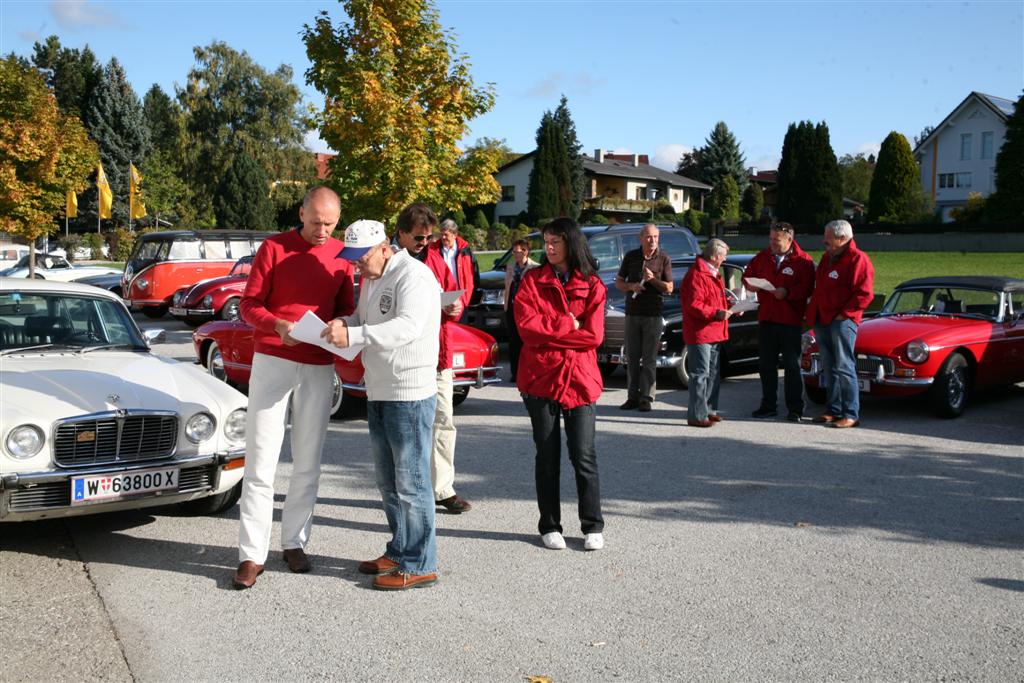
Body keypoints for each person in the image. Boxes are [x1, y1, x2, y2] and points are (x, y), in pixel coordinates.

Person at [232, 186, 355, 590]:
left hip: (319, 364)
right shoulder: (273, 248)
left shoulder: (341, 256)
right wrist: (276, 325)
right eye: (316, 221)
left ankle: (294, 542)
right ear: (301, 213)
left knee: (308, 462)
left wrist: (341, 325)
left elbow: (346, 309)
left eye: (330, 223)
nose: (323, 230)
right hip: (273, 360)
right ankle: (252, 554)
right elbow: (248, 305)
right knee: (261, 461)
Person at [323, 219, 442, 590]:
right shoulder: (373, 277)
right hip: (379, 388)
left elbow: (406, 327)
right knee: (389, 482)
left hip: (408, 392)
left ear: (385, 248)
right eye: (353, 259)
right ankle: (400, 548)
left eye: (361, 258)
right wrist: (342, 322)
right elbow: (365, 318)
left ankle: (421, 561)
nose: (357, 265)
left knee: (413, 482)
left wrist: (355, 333)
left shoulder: (414, 276)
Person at [515, 217, 606, 551]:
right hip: (541, 378)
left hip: (579, 380)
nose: (549, 248)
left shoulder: (592, 284)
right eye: (546, 242)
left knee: (584, 455)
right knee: (547, 456)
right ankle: (549, 524)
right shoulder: (532, 281)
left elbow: (594, 335)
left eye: (555, 242)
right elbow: (527, 328)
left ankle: (592, 525)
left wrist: (552, 331)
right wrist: (568, 323)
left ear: (571, 243)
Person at [395, 205, 472, 513]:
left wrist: (456, 308)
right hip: (405, 356)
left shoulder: (436, 259)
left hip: (437, 354)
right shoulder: (388, 261)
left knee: (443, 420)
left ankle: (442, 488)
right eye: (418, 237)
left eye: (428, 237)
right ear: (400, 232)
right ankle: (405, 490)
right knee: (405, 427)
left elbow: (454, 294)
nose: (424, 243)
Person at [805, 219, 875, 429]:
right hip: (822, 319)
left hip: (842, 321)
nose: (824, 242)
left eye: (828, 239)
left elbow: (864, 294)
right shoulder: (828, 257)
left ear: (842, 238)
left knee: (845, 366)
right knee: (829, 366)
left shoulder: (858, 259)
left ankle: (851, 413)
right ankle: (833, 409)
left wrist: (844, 315)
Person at [744, 222, 816, 421]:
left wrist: (788, 293)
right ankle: (768, 406)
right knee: (766, 365)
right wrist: (751, 284)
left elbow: (808, 288)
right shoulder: (763, 257)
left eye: (776, 240)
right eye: (770, 239)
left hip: (790, 321)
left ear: (789, 240)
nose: (772, 244)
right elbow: (747, 275)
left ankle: (795, 409)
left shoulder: (803, 261)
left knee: (792, 366)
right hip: (767, 318)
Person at [613, 224, 673, 412]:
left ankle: (646, 398)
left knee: (649, 359)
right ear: (641, 238)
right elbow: (619, 283)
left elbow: (669, 288)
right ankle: (632, 396)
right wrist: (632, 286)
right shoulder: (631, 256)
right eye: (648, 237)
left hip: (653, 315)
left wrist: (652, 279)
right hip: (632, 313)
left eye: (655, 237)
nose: (652, 240)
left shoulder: (663, 259)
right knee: (631, 358)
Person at [680, 238, 732, 428]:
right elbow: (694, 305)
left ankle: (709, 409)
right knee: (700, 374)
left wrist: (731, 307)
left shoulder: (711, 272)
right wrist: (717, 313)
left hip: (713, 331)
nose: (724, 260)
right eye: (723, 257)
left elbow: (712, 300)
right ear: (715, 256)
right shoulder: (697, 275)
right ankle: (697, 415)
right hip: (700, 332)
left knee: (712, 374)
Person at [502, 238, 539, 382]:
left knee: (527, 341)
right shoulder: (511, 267)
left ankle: (529, 371)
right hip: (512, 307)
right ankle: (515, 372)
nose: (515, 255)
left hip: (527, 310)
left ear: (526, 252)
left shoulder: (535, 268)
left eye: (518, 252)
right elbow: (507, 287)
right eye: (514, 252)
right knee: (514, 341)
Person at [431, 218, 478, 322]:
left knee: (460, 332)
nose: (443, 237)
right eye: (441, 234)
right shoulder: (433, 251)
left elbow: (474, 274)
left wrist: (467, 299)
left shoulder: (465, 251)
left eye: (446, 235)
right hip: (442, 299)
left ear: (454, 234)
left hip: (461, 299)